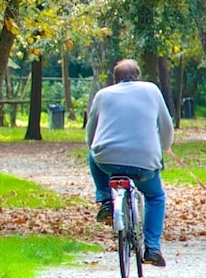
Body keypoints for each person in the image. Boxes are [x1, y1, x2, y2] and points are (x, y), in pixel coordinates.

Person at [86, 59, 175, 267]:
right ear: (137, 76)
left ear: (115, 79)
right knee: (155, 197)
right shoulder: (151, 90)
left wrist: (94, 147)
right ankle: (152, 247)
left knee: (93, 154)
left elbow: (90, 136)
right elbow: (166, 126)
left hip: (108, 161)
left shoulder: (102, 95)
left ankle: (106, 200)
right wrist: (165, 146)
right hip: (145, 162)